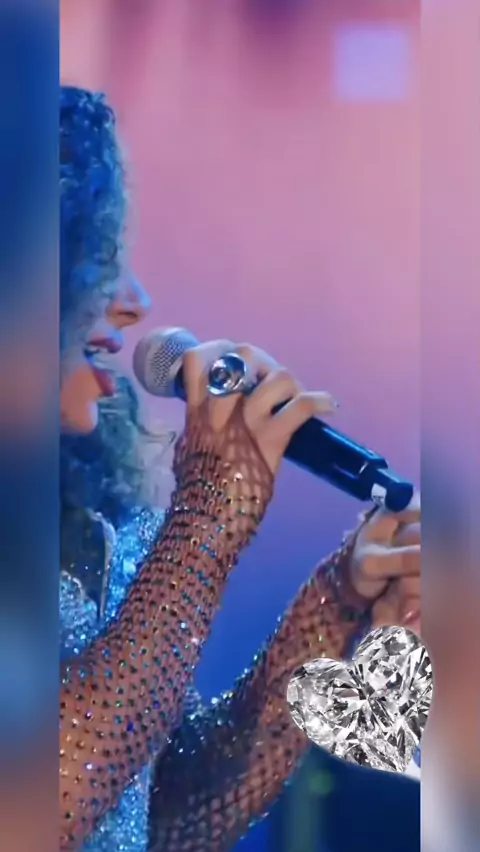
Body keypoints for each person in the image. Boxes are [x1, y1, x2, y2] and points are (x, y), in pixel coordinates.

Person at [59, 86, 421, 852]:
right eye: (97, 260)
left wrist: (336, 604)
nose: (134, 303)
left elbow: (168, 816)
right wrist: (208, 514)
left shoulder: (75, 514)